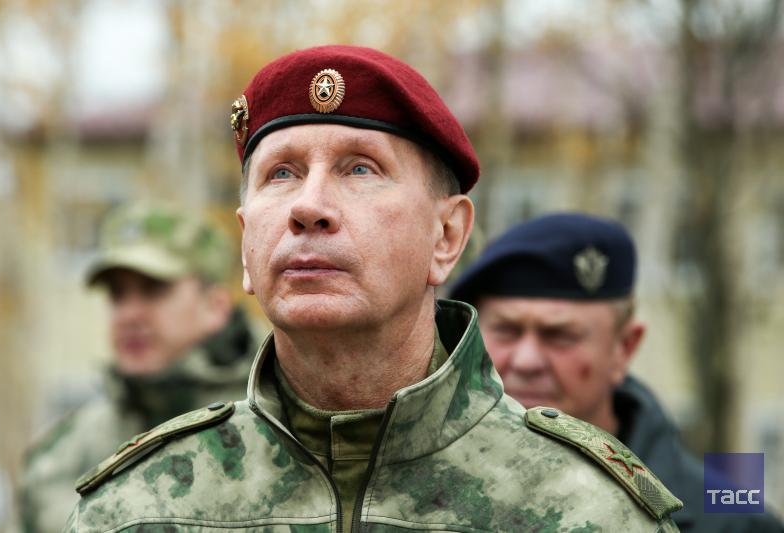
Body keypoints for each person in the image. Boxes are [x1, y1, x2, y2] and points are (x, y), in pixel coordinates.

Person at [64, 46, 683, 533]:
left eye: (360, 167)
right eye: (281, 173)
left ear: (446, 236)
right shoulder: (139, 508)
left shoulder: (586, 510)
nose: (308, 206)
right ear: (246, 244)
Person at [449, 212, 784, 533]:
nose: (526, 361)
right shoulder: (433, 483)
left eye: (559, 336)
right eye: (506, 330)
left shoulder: (730, 521)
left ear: (623, 348)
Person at [16, 203, 256, 533]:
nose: (129, 315)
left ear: (215, 306)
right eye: (118, 294)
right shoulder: (60, 458)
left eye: (153, 289)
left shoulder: (278, 423)